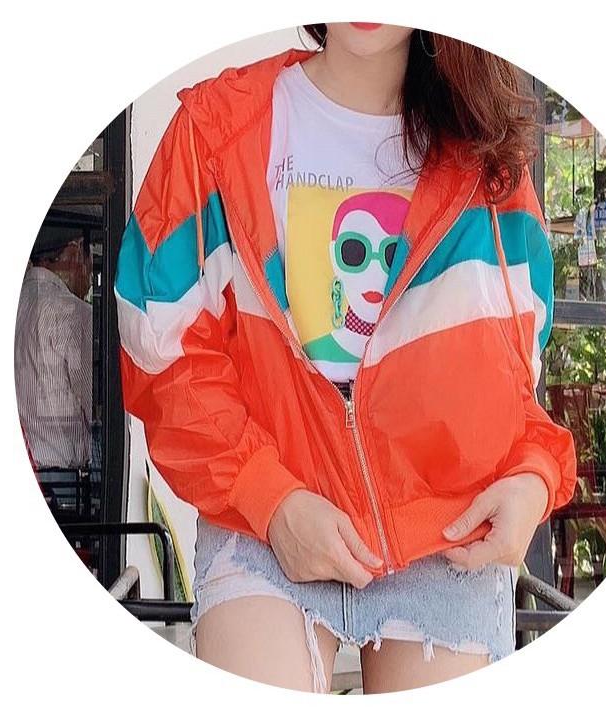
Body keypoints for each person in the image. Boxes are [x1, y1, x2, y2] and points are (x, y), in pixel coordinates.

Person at [115, 23, 577, 693]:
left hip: (446, 531)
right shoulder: (217, 129)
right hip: (266, 519)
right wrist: (269, 499)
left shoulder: (487, 159)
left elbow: (513, 377)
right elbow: (163, 350)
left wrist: (535, 476)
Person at [15, 225, 93, 473]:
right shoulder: (74, 312)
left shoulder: (16, 305)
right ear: (75, 250)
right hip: (66, 476)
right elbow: (93, 401)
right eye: (90, 257)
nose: (90, 273)